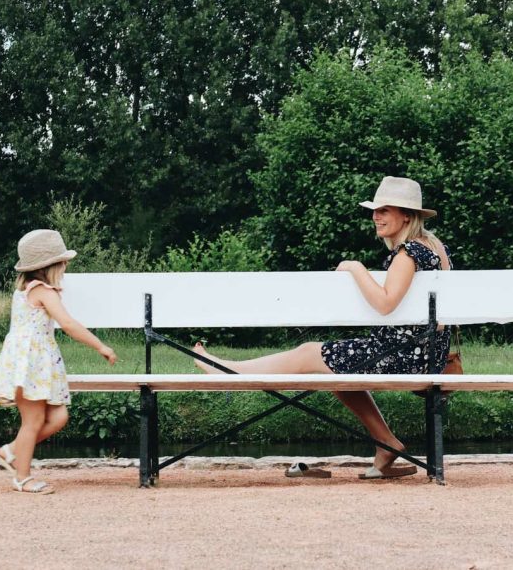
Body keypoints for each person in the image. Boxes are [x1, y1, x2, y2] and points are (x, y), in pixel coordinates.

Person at [193, 176, 452, 479]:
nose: (375, 216)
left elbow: (385, 303)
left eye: (384, 210)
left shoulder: (409, 253)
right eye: (375, 210)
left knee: (310, 353)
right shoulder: (435, 248)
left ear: (406, 215)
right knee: (335, 368)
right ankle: (386, 443)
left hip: (405, 358)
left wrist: (355, 268)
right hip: (424, 357)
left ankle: (228, 371)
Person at [0, 229, 117, 494]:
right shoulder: (43, 292)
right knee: (32, 422)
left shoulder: (30, 290)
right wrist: (100, 345)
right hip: (30, 366)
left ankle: (11, 450)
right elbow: (67, 324)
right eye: (63, 260)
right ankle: (22, 477)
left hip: (36, 364)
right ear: (51, 266)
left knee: (58, 417)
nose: (66, 264)